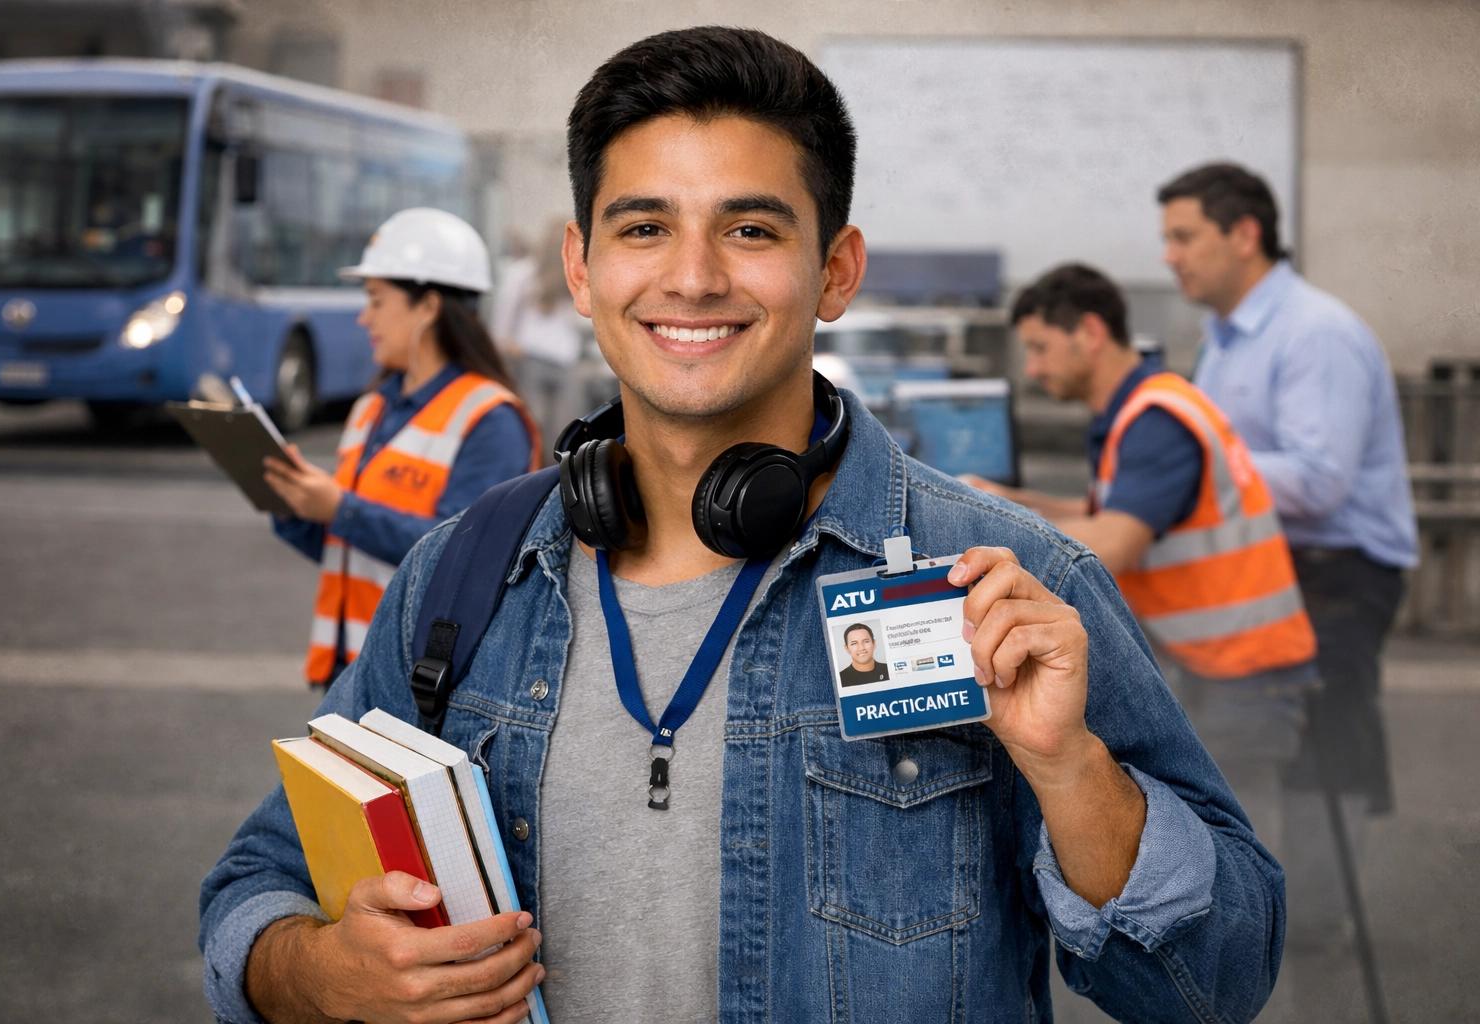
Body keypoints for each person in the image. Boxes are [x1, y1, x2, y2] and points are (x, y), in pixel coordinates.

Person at [201, 28, 1287, 1024]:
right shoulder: (466, 573)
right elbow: (253, 889)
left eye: (751, 227)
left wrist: (1071, 770)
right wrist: (322, 972)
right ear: (582, 268)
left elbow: (1217, 983)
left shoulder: (1002, 583)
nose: (692, 276)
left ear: (837, 270)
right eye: (644, 227)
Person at [1157, 163, 1419, 940]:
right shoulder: (1224, 338)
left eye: (1184, 236)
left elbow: (1318, 480)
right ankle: (1272, 909)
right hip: (1270, 567)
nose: (1170, 255)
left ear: (1244, 235)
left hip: (1336, 571)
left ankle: (1315, 926)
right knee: (1257, 735)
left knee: (1326, 735)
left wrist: (1189, 468)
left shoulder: (1315, 333)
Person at [977, 262, 1317, 859]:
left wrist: (995, 527)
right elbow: (1095, 514)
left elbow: (1110, 543)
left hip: (1242, 668)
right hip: (1221, 662)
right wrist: (1009, 501)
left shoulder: (1157, 420)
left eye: (1039, 348)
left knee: (1238, 855)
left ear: (1089, 332)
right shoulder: (1142, 409)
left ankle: (1271, 951)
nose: (1030, 368)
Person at [264, 207, 542, 688]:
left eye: (376, 300)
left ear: (429, 306)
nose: (363, 316)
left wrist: (340, 509)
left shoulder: (490, 420)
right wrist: (295, 506)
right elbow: (348, 551)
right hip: (350, 674)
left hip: (423, 686)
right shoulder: (372, 408)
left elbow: (468, 559)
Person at [490, 217, 590, 445]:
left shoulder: (566, 277)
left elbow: (502, 320)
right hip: (538, 359)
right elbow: (502, 322)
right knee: (545, 429)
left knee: (551, 430)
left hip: (553, 362)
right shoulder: (525, 274)